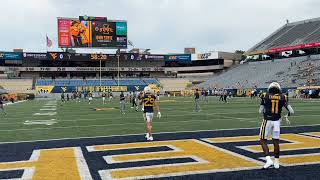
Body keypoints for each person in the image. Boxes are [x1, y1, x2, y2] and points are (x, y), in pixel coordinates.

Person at [259, 82, 294, 169]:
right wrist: (286, 116)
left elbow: (260, 111)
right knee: (276, 142)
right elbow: (292, 111)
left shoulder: (265, 95)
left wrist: (266, 109)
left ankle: (268, 159)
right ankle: (276, 162)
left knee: (263, 140)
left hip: (267, 120)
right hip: (277, 121)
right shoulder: (283, 97)